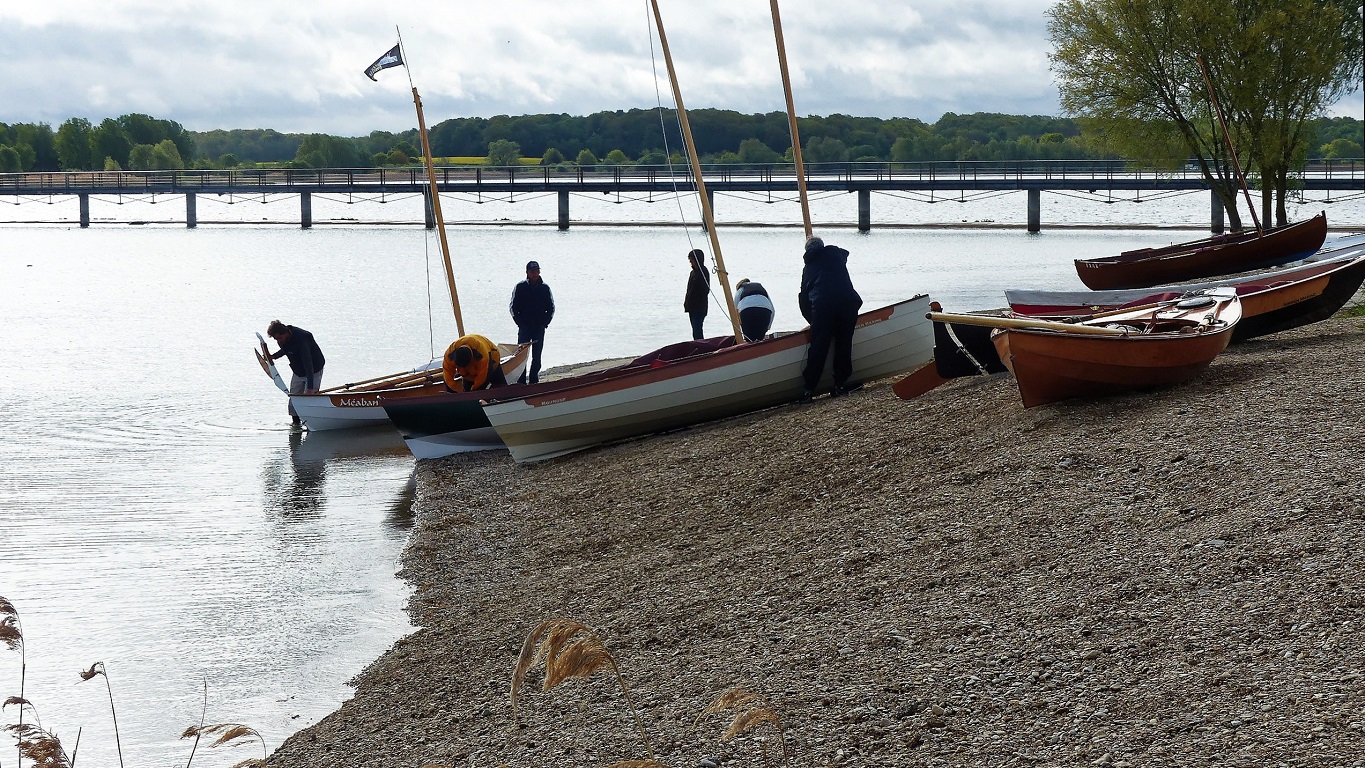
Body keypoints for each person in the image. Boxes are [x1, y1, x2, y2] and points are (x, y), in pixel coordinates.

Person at [797, 236, 863, 401]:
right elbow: (845, 254)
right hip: (847, 303)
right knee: (844, 344)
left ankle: (808, 390)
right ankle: (839, 385)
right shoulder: (836, 255)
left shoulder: (808, 268)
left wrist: (811, 320)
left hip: (822, 307)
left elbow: (804, 298)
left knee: (819, 347)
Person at [266, 320, 325, 426]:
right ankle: (296, 423)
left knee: (309, 399)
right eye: (276, 339)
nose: (278, 341)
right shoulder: (282, 340)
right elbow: (285, 350)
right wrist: (273, 356)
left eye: (279, 338)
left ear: (286, 333)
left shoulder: (303, 338)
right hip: (298, 370)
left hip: (314, 369)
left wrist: (310, 388)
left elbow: (308, 363)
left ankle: (310, 423)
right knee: (293, 397)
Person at [509, 260, 555, 384]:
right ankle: (521, 381)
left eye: (537, 271)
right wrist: (519, 323)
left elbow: (551, 308)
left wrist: (545, 323)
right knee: (521, 356)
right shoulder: (520, 287)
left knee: (537, 356)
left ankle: (534, 380)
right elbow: (513, 307)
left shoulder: (545, 288)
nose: (535, 274)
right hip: (524, 327)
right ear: (527, 273)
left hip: (539, 327)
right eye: (532, 272)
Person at [442, 334, 508, 392]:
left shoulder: (481, 354)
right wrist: (452, 391)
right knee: (468, 393)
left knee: (501, 386)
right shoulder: (449, 354)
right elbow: (447, 374)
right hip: (468, 375)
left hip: (492, 361)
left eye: (465, 366)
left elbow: (483, 378)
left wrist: (475, 391)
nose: (464, 368)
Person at [734, 278, 775, 342]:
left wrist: (739, 327)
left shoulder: (740, 289)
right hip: (765, 310)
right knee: (760, 338)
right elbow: (773, 310)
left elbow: (734, 310)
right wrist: (767, 327)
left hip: (747, 311)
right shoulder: (761, 289)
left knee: (749, 339)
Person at [684, 248, 711, 340]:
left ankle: (701, 346)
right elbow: (689, 290)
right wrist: (687, 303)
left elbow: (705, 290)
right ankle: (698, 344)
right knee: (695, 329)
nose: (691, 262)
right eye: (690, 260)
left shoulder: (703, 272)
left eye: (692, 260)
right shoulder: (693, 273)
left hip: (699, 307)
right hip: (692, 307)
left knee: (697, 329)